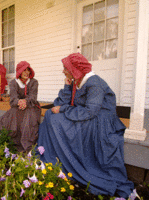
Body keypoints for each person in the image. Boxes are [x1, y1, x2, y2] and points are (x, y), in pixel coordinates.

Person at [37, 53, 134, 198]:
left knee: (57, 120)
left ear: (75, 68)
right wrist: (67, 86)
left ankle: (66, 158)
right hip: (86, 116)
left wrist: (63, 110)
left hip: (99, 122)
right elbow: (61, 103)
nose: (63, 71)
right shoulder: (78, 81)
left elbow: (90, 111)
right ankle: (51, 153)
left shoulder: (95, 83)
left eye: (65, 68)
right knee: (50, 115)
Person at [0, 61, 41, 152]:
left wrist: (25, 101)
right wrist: (19, 102)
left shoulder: (34, 82)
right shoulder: (14, 83)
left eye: (28, 70)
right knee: (14, 115)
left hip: (31, 105)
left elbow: (33, 97)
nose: (26, 72)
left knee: (29, 116)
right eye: (24, 70)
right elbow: (13, 98)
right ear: (19, 71)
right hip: (18, 105)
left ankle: (27, 144)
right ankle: (15, 143)